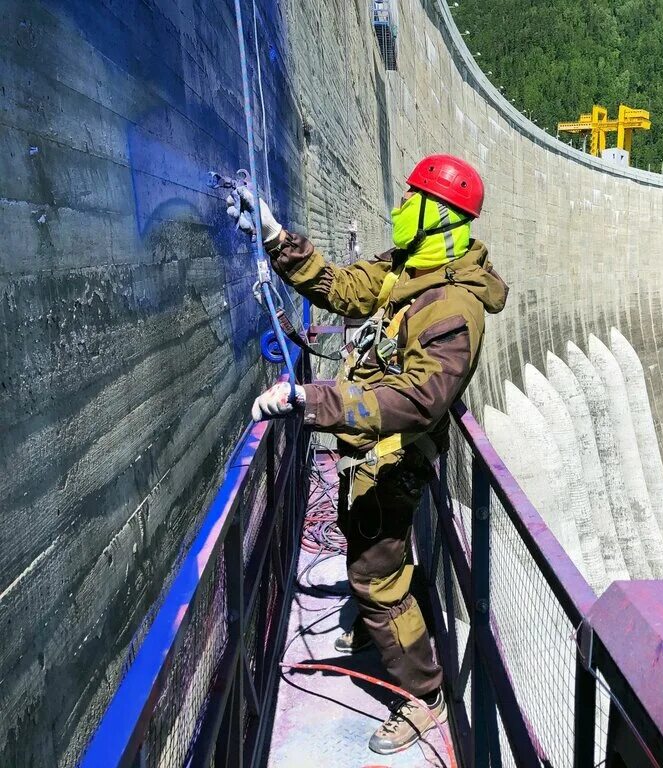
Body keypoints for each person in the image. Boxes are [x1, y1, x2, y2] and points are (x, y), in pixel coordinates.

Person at [226, 155, 507, 754]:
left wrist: (311, 400)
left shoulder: (452, 308)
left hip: (395, 460)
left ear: (440, 216)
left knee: (375, 577)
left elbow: (418, 399)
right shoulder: (410, 270)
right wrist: (278, 238)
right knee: (362, 542)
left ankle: (422, 698)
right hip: (368, 453)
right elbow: (347, 290)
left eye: (412, 199)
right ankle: (385, 636)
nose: (400, 207)